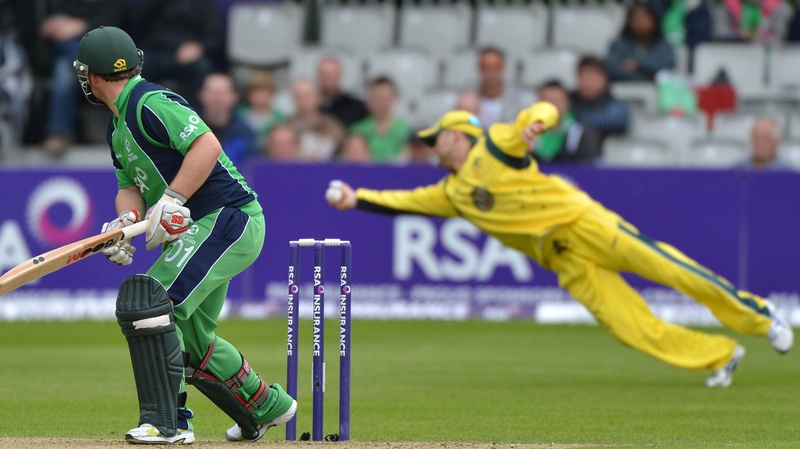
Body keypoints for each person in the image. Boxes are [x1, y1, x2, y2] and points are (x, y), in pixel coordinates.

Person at [325, 105, 794, 388]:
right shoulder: (450, 193)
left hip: (585, 223)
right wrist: (357, 199)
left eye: (436, 139)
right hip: (564, 259)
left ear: (457, 135)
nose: (431, 147)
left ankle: (761, 316)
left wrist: (536, 127)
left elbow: (541, 110)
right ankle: (719, 355)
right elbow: (402, 203)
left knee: (675, 271)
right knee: (629, 326)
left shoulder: (494, 144)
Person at [73, 26, 295, 444]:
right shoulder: (116, 127)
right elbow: (131, 187)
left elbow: (206, 145)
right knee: (191, 340)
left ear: (93, 77)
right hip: (201, 226)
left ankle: (168, 423)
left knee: (150, 303)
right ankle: (267, 406)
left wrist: (173, 198)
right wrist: (124, 225)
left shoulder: (150, 102)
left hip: (228, 218)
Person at [40, 0, 124, 156]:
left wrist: (83, 26)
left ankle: (128, 133)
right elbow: (50, 30)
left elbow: (116, 33)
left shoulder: (112, 5)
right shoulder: (65, 5)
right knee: (64, 72)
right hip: (69, 60)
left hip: (107, 58)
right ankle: (59, 133)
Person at [129, 0, 223, 109]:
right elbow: (136, 19)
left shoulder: (203, 4)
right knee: (138, 65)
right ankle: (135, 113)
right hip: (156, 51)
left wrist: (199, 47)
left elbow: (215, 37)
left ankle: (194, 117)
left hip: (189, 55)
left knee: (201, 67)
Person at [197, 72, 258, 167]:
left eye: (222, 93)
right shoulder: (188, 129)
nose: (216, 98)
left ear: (234, 97)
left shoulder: (246, 134)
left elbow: (252, 169)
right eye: (212, 92)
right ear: (201, 95)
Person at [533, 80, 601, 163]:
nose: (552, 107)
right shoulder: (528, 133)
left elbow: (587, 169)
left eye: (557, 100)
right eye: (546, 101)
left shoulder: (582, 133)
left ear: (567, 103)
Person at [349, 76, 413, 163]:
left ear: (394, 98)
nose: (381, 103)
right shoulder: (356, 131)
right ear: (368, 100)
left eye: (384, 98)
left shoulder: (406, 130)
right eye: (376, 98)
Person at [607, 3, 676, 82]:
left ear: (654, 20)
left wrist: (638, 65)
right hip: (624, 87)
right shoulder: (619, 44)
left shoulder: (662, 44)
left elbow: (667, 66)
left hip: (656, 90)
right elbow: (612, 69)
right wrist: (644, 78)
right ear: (629, 21)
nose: (640, 22)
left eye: (644, 18)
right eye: (636, 18)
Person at [571, 56, 630, 140]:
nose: (588, 82)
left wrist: (572, 120)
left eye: (592, 76)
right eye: (583, 76)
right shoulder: (570, 100)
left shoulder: (617, 106)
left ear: (604, 79)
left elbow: (615, 121)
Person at [287, 78, 345, 162]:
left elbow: (344, 156)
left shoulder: (333, 128)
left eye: (307, 96)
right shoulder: (287, 129)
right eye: (299, 97)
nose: (303, 102)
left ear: (318, 97)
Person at [476, 47, 526, 126]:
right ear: (479, 68)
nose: (490, 71)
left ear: (503, 67)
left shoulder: (517, 100)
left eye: (495, 66)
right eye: (485, 66)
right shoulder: (468, 97)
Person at [238, 70, 286, 148]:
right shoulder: (240, 114)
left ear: (272, 93)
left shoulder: (280, 118)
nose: (260, 96)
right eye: (256, 92)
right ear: (249, 94)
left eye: (263, 92)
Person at [317, 56, 368, 128]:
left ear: (340, 75)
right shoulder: (311, 107)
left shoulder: (356, 107)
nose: (328, 79)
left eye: (332, 75)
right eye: (325, 75)